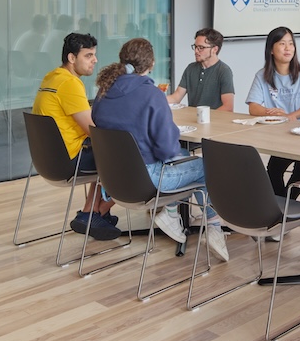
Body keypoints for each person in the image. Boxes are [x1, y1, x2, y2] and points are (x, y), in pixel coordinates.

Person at [92, 38, 229, 261]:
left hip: (113, 180)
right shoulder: (151, 94)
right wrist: (171, 131)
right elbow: (166, 150)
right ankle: (213, 226)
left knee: (184, 157)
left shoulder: (103, 92)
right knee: (206, 166)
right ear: (151, 64)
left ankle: (173, 214)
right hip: (147, 181)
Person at [32, 32, 120, 240]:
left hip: (48, 160)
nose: (95, 60)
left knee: (105, 150)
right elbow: (93, 131)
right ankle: (95, 212)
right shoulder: (70, 84)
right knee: (122, 152)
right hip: (69, 160)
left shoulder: (51, 77)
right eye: (88, 56)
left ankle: (95, 213)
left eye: (94, 55)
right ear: (72, 58)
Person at [247, 26, 300, 198]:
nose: (288, 48)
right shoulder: (263, 75)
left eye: (291, 44)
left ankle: (287, 206)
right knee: (273, 169)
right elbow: (253, 107)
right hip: (283, 134)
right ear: (271, 50)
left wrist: (291, 116)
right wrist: (269, 112)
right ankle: (282, 209)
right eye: (282, 44)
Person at [166, 28, 235, 111]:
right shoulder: (190, 68)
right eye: (195, 47)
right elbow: (176, 97)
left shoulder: (224, 71)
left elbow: (228, 107)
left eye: (201, 47)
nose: (196, 51)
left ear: (214, 49)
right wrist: (155, 98)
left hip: (213, 121)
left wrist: (205, 117)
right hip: (192, 120)